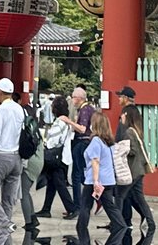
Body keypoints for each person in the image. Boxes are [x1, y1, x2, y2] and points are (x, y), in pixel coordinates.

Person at [0, 77, 26, 245]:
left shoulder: (0, 110)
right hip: (17, 157)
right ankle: (6, 225)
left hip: (1, 155)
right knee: (8, 198)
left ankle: (3, 222)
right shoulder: (20, 110)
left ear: (0, 92)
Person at [79, 109, 126, 245]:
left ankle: (81, 231)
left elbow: (95, 161)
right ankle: (121, 227)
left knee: (85, 206)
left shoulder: (96, 141)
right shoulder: (108, 142)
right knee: (110, 207)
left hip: (95, 181)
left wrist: (95, 181)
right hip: (109, 180)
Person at [117, 102, 154, 244]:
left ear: (126, 115)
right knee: (139, 197)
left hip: (133, 171)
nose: (121, 117)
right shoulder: (136, 131)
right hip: (140, 170)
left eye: (122, 115)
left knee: (120, 195)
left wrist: (121, 151)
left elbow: (131, 151)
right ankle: (150, 222)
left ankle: (118, 222)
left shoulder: (128, 132)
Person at [39, 94, 76, 220]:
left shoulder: (59, 123)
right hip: (63, 156)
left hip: (56, 158)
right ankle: (46, 208)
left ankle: (72, 208)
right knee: (52, 183)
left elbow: (52, 141)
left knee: (59, 184)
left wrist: (45, 143)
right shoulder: (66, 121)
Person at [17, 90, 45, 236]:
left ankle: (29, 222)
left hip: (31, 161)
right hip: (38, 158)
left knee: (23, 192)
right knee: (25, 191)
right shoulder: (32, 124)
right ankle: (32, 217)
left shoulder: (23, 125)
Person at [68, 85, 94, 217]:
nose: (72, 100)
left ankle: (78, 205)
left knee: (76, 175)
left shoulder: (84, 110)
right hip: (87, 142)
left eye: (73, 97)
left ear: (79, 98)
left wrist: (70, 122)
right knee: (83, 174)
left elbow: (83, 129)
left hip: (81, 141)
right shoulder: (90, 108)